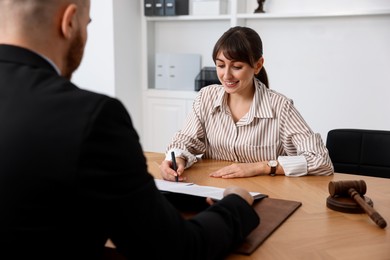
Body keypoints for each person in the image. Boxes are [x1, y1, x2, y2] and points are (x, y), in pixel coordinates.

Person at [0, 1, 260, 259]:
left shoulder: (277, 103)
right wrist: (237, 203)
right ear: (69, 21)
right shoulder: (93, 117)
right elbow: (176, 249)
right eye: (87, 24)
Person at [160, 26, 334, 182]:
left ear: (257, 65)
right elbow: (184, 141)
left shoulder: (280, 106)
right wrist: (176, 159)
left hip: (267, 193)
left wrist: (260, 167)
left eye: (236, 67)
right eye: (220, 65)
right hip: (215, 190)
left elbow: (320, 160)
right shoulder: (206, 97)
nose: (226, 75)